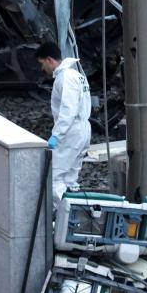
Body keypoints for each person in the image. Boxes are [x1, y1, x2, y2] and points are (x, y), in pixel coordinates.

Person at [35, 41, 92, 204]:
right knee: (70, 179)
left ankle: (60, 219)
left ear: (50, 60)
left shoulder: (65, 77)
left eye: (42, 63)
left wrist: (56, 136)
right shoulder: (77, 75)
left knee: (54, 177)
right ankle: (73, 217)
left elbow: (68, 110)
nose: (42, 69)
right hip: (82, 129)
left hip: (71, 131)